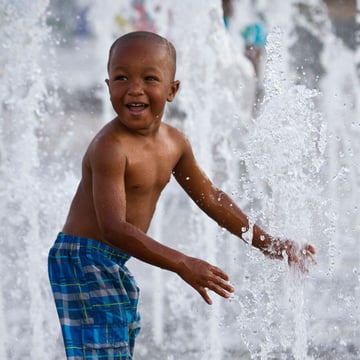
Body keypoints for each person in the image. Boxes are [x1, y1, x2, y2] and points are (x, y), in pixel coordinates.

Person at [48, 31, 316, 359]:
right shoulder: (111, 147)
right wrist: (182, 263)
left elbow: (212, 198)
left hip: (110, 259)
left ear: (172, 90)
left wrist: (269, 244)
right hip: (82, 258)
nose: (134, 89)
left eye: (150, 78)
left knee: (121, 338)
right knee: (106, 349)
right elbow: (113, 228)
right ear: (107, 86)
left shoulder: (175, 143)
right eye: (122, 78)